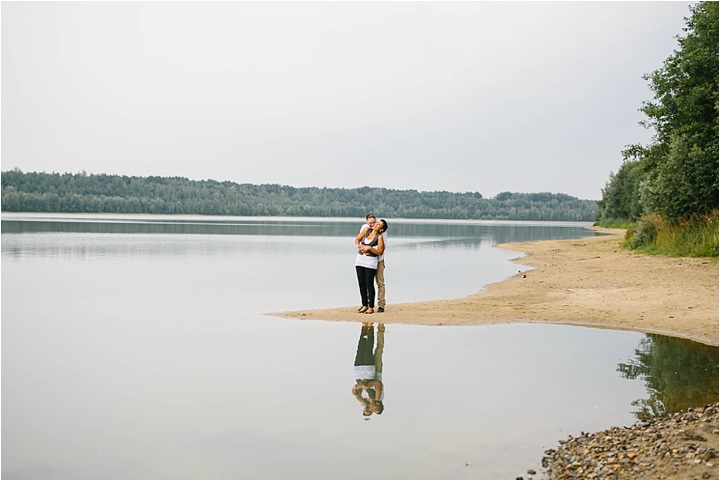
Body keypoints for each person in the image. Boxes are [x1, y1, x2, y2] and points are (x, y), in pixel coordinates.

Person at [355, 214, 387, 312]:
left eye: (375, 222)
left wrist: (370, 248)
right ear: (367, 222)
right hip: (361, 260)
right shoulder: (365, 229)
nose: (373, 224)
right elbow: (357, 240)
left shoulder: (381, 235)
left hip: (377, 260)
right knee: (362, 283)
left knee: (377, 282)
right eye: (371, 223)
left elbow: (381, 249)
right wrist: (361, 247)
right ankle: (365, 304)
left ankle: (379, 305)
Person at [351, 323, 385, 417]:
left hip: (361, 372)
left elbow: (355, 393)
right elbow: (378, 383)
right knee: (378, 350)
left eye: (369, 410)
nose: (370, 409)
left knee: (362, 349)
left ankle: (365, 327)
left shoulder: (364, 401)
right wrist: (366, 386)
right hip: (375, 373)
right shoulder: (377, 398)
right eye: (371, 410)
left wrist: (357, 386)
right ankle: (378, 329)